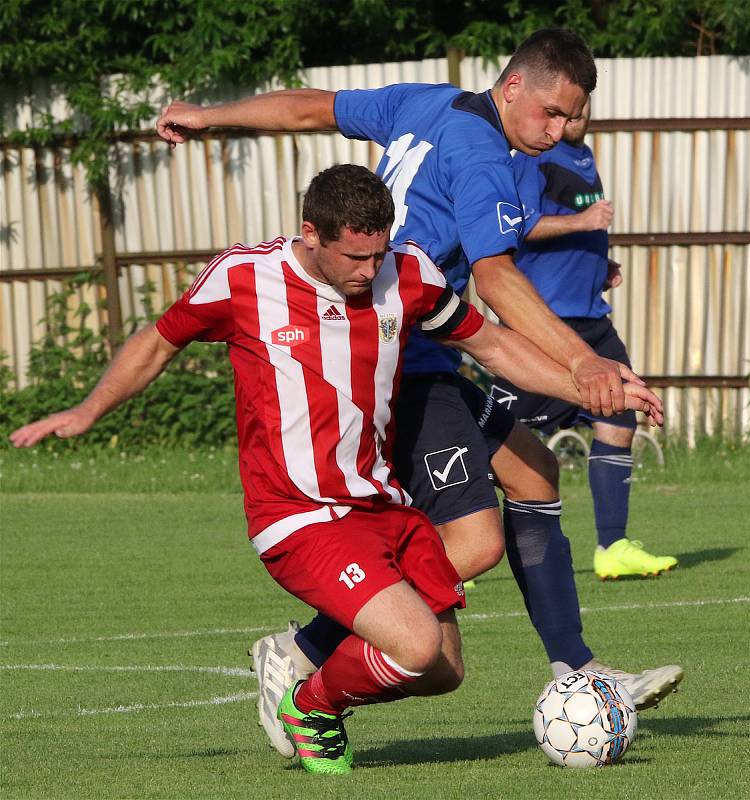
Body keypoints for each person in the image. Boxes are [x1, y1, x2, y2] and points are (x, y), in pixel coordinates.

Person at [10, 165, 664, 774]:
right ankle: (307, 700)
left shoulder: (406, 276)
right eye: (354, 256)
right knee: (411, 646)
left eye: (377, 254)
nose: (367, 270)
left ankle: (310, 693)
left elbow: (489, 345)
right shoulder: (244, 280)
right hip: (295, 513)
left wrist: (588, 385)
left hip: (381, 507)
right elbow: (158, 340)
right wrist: (88, 410)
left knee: (441, 671)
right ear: (310, 234)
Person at [156, 28, 684, 756]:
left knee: (533, 468)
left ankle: (578, 668)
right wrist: (583, 363)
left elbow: (314, 107)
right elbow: (496, 278)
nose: (560, 131)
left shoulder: (429, 103)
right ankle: (303, 652)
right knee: (471, 542)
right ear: (511, 89)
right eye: (551, 115)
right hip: (402, 360)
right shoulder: (481, 160)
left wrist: (215, 115)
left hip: (419, 346)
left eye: (572, 118)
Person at [490, 98, 678, 579]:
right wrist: (584, 223)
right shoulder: (534, 157)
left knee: (617, 415)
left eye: (578, 108)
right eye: (560, 111)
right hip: (546, 322)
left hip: (591, 316)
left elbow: (573, 230)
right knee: (486, 431)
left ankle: (612, 546)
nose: (569, 120)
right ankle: (449, 536)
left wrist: (600, 263)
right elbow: (519, 225)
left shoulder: (583, 154)